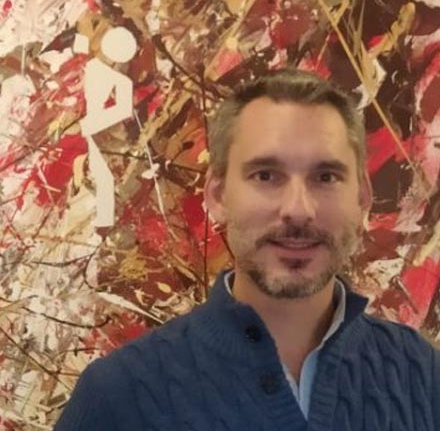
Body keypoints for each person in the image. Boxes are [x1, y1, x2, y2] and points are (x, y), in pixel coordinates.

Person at [54, 68, 440, 431]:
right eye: (266, 175)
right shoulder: (118, 396)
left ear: (362, 198)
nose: (298, 210)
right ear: (218, 195)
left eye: (325, 177)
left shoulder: (423, 375)